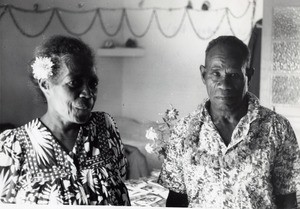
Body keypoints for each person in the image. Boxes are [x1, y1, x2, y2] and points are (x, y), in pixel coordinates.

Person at [158, 35, 300, 208]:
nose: (224, 84)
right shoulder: (183, 131)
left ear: (248, 74)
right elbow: (176, 200)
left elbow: (288, 200)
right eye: (215, 73)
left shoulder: (277, 128)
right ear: (203, 74)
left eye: (233, 75)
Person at [0, 35, 130, 205]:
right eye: (74, 82)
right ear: (46, 85)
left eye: (93, 83)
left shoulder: (104, 127)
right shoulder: (13, 146)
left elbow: (120, 183)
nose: (88, 93)